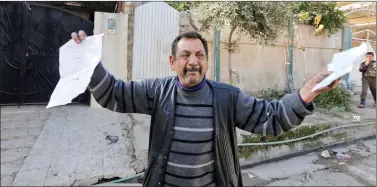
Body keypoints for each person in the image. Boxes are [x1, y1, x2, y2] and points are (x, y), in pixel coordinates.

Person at [71, 30, 340, 187]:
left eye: (199, 55)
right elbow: (115, 94)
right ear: (172, 61)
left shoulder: (227, 98)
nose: (193, 62)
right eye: (185, 55)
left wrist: (307, 92)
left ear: (207, 62)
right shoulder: (157, 91)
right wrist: (92, 65)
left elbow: (271, 119)